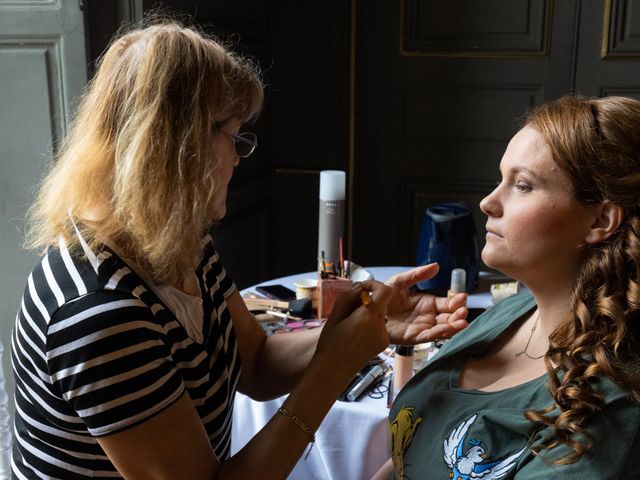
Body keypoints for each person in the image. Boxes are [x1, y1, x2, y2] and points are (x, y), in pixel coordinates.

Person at [11, 21, 469, 479]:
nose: (237, 157)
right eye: (235, 137)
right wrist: (334, 367)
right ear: (180, 146)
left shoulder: (181, 242)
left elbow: (254, 363)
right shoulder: (98, 313)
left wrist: (363, 330)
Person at [373, 95, 640, 480]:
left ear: (600, 220)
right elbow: (405, 462)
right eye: (501, 179)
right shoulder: (510, 314)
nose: (487, 203)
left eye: (523, 185)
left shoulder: (606, 409)